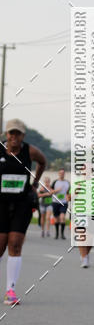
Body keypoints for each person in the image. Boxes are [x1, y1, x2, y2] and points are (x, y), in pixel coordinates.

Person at [0, 119, 46, 305]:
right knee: (1, 244)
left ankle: (10, 290)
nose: (14, 137)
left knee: (15, 243)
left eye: (18, 133)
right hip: (1, 203)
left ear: (23, 136)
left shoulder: (30, 151)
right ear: (6, 134)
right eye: (11, 133)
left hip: (22, 203)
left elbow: (42, 162)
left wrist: (35, 184)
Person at [51, 168, 70, 240]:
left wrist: (68, 198)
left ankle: (62, 234)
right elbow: (50, 192)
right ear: (58, 174)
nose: (62, 174)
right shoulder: (55, 182)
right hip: (55, 202)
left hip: (64, 203)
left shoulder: (67, 182)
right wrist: (57, 190)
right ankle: (57, 234)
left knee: (62, 217)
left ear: (64, 174)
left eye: (63, 173)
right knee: (56, 219)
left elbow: (69, 193)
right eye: (60, 173)